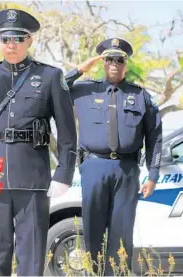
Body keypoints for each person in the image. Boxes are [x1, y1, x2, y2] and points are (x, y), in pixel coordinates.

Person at [0, 9, 77, 276]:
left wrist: (64, 174)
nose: (11, 45)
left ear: (29, 41)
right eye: (5, 39)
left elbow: (66, 131)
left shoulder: (50, 76)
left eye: (18, 38)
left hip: (33, 177)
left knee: (32, 253)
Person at [64, 38, 162, 275]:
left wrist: (153, 174)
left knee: (122, 232)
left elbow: (155, 137)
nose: (114, 64)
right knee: (93, 230)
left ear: (125, 64)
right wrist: (79, 70)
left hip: (126, 170)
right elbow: (54, 88)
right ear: (103, 62)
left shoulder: (140, 96)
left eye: (119, 60)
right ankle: (94, 273)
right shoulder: (83, 90)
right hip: (93, 167)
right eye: (109, 59)